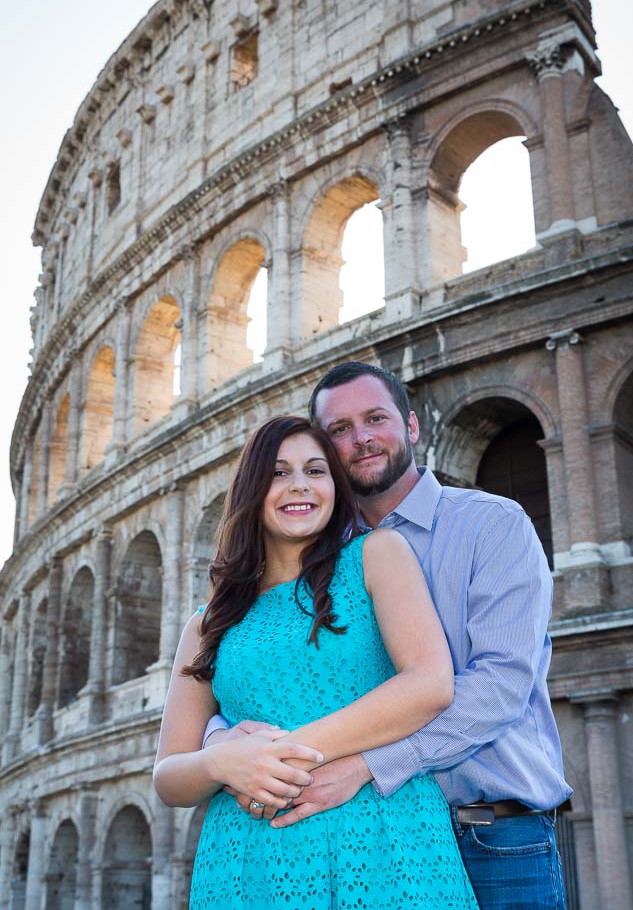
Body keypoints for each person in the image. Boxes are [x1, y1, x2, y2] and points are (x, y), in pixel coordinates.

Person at [205, 363, 572, 910]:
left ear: (412, 427)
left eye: (375, 419)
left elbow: (499, 683)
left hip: (490, 834)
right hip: (363, 835)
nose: (362, 439)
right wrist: (221, 742)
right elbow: (266, 671)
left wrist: (368, 766)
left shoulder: (493, 525)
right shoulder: (308, 558)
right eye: (340, 430)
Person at [154, 415, 479, 909]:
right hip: (248, 862)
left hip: (384, 841)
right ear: (250, 490)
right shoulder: (208, 622)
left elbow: (430, 684)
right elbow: (169, 776)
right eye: (279, 472)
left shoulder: (378, 554)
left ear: (336, 486)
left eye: (316, 470)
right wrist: (221, 760)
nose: (299, 485)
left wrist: (269, 759)